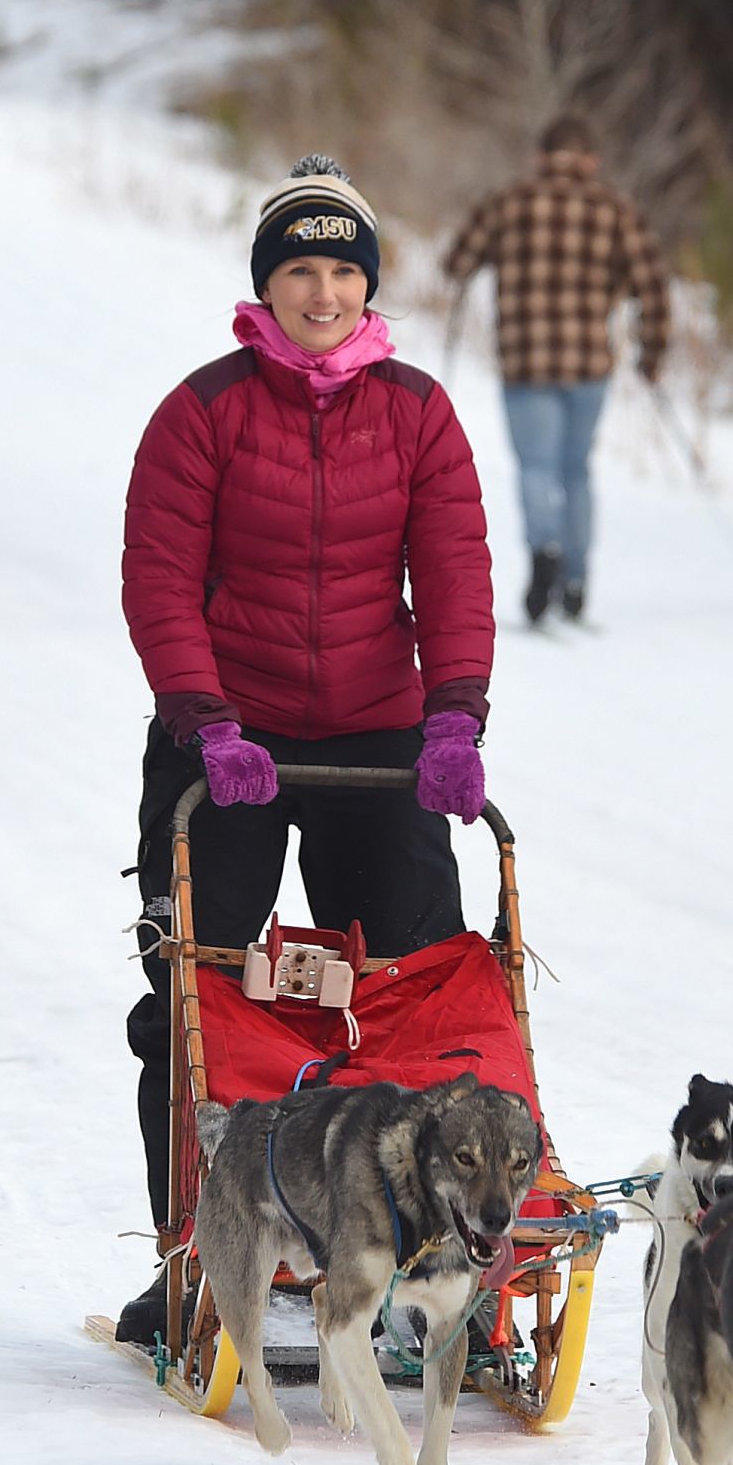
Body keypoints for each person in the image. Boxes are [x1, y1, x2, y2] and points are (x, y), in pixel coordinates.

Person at [117, 155, 494, 1344]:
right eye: (299, 270)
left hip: (380, 741)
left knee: (417, 994)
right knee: (198, 992)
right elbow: (159, 580)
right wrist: (203, 716)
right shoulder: (204, 410)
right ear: (265, 285)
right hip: (226, 735)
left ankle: (439, 1268)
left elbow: (454, 573)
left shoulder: (418, 411)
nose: (321, 292)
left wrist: (455, 716)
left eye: (341, 269)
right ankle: (196, 1255)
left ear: (368, 285)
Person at [444, 114, 670, 626]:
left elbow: (456, 263)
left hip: (525, 360)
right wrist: (651, 355)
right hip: (588, 361)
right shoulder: (615, 208)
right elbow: (653, 285)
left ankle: (544, 548)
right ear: (591, 160)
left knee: (535, 468)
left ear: (540, 158)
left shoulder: (508, 202)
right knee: (576, 470)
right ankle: (575, 577)